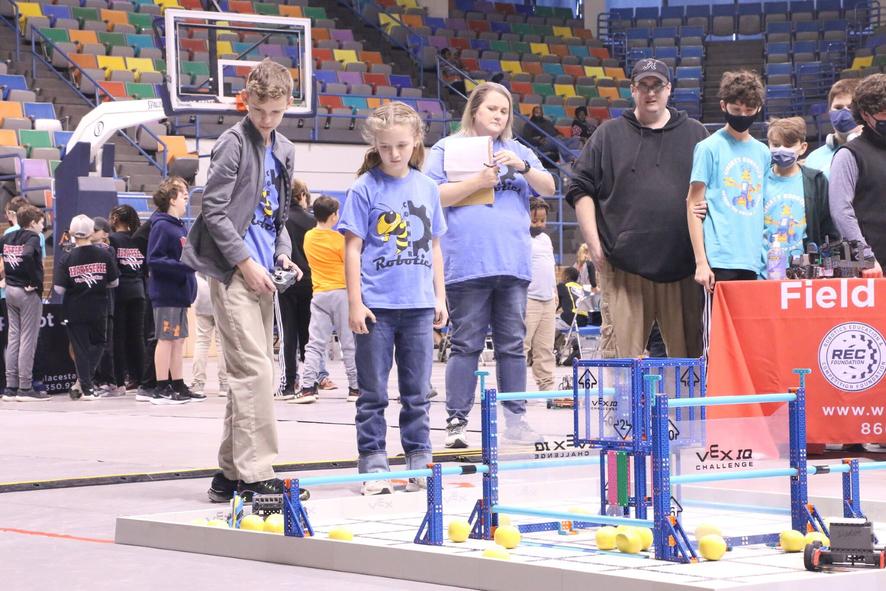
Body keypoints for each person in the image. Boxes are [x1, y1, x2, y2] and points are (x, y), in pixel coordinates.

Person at [181, 59, 304, 503]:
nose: (265, 119)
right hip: (234, 272)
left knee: (244, 373)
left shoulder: (286, 150)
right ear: (246, 103)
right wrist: (245, 263)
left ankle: (230, 474)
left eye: (273, 112)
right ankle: (257, 474)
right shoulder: (231, 144)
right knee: (256, 370)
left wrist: (283, 254)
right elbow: (212, 211)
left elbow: (276, 216)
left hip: (266, 274)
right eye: (257, 111)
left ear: (288, 104)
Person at [425, 81, 555, 448]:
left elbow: (549, 187)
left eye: (504, 111)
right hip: (467, 264)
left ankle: (515, 420)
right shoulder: (447, 148)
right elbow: (431, 195)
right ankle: (456, 422)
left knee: (513, 345)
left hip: (513, 265)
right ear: (474, 110)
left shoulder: (517, 150)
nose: (498, 116)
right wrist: (476, 182)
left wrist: (525, 166)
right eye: (491, 109)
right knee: (465, 344)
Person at [339, 101, 447, 495]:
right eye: (386, 148)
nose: (394, 154)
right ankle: (372, 459)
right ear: (376, 147)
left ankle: (419, 455)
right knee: (373, 392)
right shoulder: (364, 188)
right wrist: (355, 302)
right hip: (377, 308)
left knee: (417, 392)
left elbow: (434, 245)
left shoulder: (428, 187)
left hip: (418, 308)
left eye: (402, 145)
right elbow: (352, 248)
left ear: (417, 141)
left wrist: (440, 295)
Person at [566, 58, 708, 359]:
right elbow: (579, 189)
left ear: (668, 89)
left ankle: (685, 410)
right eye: (643, 86)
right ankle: (621, 410)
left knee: (689, 367)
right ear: (633, 90)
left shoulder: (696, 134)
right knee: (620, 365)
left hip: (682, 269)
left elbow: (714, 194)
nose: (650, 92)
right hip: (624, 270)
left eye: (657, 85)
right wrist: (594, 246)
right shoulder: (608, 134)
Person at [688, 69, 770, 292]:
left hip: (753, 260)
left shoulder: (763, 152)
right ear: (724, 106)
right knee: (718, 327)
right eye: (736, 109)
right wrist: (701, 262)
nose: (742, 115)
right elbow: (693, 204)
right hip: (719, 260)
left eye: (749, 110)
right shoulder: (708, 148)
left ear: (758, 109)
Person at [293, 195, 358, 404]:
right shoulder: (340, 240)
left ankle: (307, 387)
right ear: (333, 216)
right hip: (341, 293)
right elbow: (350, 265)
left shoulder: (309, 237)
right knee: (348, 343)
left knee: (314, 344)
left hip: (319, 294)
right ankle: (355, 388)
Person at [54, 215, 120, 401]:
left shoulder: (67, 258)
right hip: (99, 307)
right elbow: (114, 282)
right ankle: (85, 385)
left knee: (80, 348)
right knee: (99, 343)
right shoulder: (104, 254)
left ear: (73, 233)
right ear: (92, 232)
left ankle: (85, 386)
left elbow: (59, 288)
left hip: (74, 309)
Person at [147, 177, 199, 405]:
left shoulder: (178, 225)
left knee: (178, 341)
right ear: (171, 198)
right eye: (182, 193)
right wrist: (183, 267)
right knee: (166, 340)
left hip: (180, 293)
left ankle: (178, 384)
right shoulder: (161, 226)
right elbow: (154, 259)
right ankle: (160, 387)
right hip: (167, 293)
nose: (186, 196)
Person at [829, 73, 886, 275]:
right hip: (871, 268)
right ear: (864, 114)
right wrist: (865, 257)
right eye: (882, 114)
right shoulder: (849, 155)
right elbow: (841, 210)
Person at [764, 117, 839, 259]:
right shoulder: (760, 179)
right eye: (776, 144)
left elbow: (828, 229)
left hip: (804, 270)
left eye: (788, 145)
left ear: (803, 147)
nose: (781, 149)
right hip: (763, 270)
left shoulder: (816, 181)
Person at [0, 205, 45, 401]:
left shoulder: (7, 237)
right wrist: (34, 281)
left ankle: (10, 387)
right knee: (28, 338)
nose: (44, 226)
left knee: (13, 337)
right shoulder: (32, 237)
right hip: (27, 292)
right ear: (33, 222)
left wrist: (8, 276)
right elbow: (27, 255)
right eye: (42, 222)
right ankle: (25, 387)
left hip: (10, 290)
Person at [109, 204, 146, 393]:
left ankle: (121, 378)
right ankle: (140, 376)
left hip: (121, 291)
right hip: (139, 290)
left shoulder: (112, 239)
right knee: (137, 337)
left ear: (115, 219)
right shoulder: (138, 238)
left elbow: (112, 268)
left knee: (120, 337)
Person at [524, 197, 556, 392]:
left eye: (543, 221)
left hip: (548, 299)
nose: (539, 225)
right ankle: (515, 389)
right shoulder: (520, 237)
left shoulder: (546, 239)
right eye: (535, 221)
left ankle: (548, 388)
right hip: (528, 299)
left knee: (545, 349)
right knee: (522, 347)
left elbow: (550, 266)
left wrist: (554, 290)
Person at [805, 79, 862, 178]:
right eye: (838, 107)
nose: (844, 112)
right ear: (829, 111)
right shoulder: (813, 159)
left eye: (850, 107)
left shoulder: (878, 153)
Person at [91, 217, 121, 396]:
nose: (92, 232)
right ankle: (93, 379)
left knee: (106, 345)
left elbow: (112, 277)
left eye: (96, 230)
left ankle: (109, 381)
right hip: (90, 305)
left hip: (106, 304)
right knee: (92, 345)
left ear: (105, 234)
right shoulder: (83, 250)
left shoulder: (108, 250)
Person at [190, 273, 227, 397]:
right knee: (222, 343)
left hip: (202, 294)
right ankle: (225, 384)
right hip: (221, 293)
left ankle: (198, 383)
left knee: (202, 341)